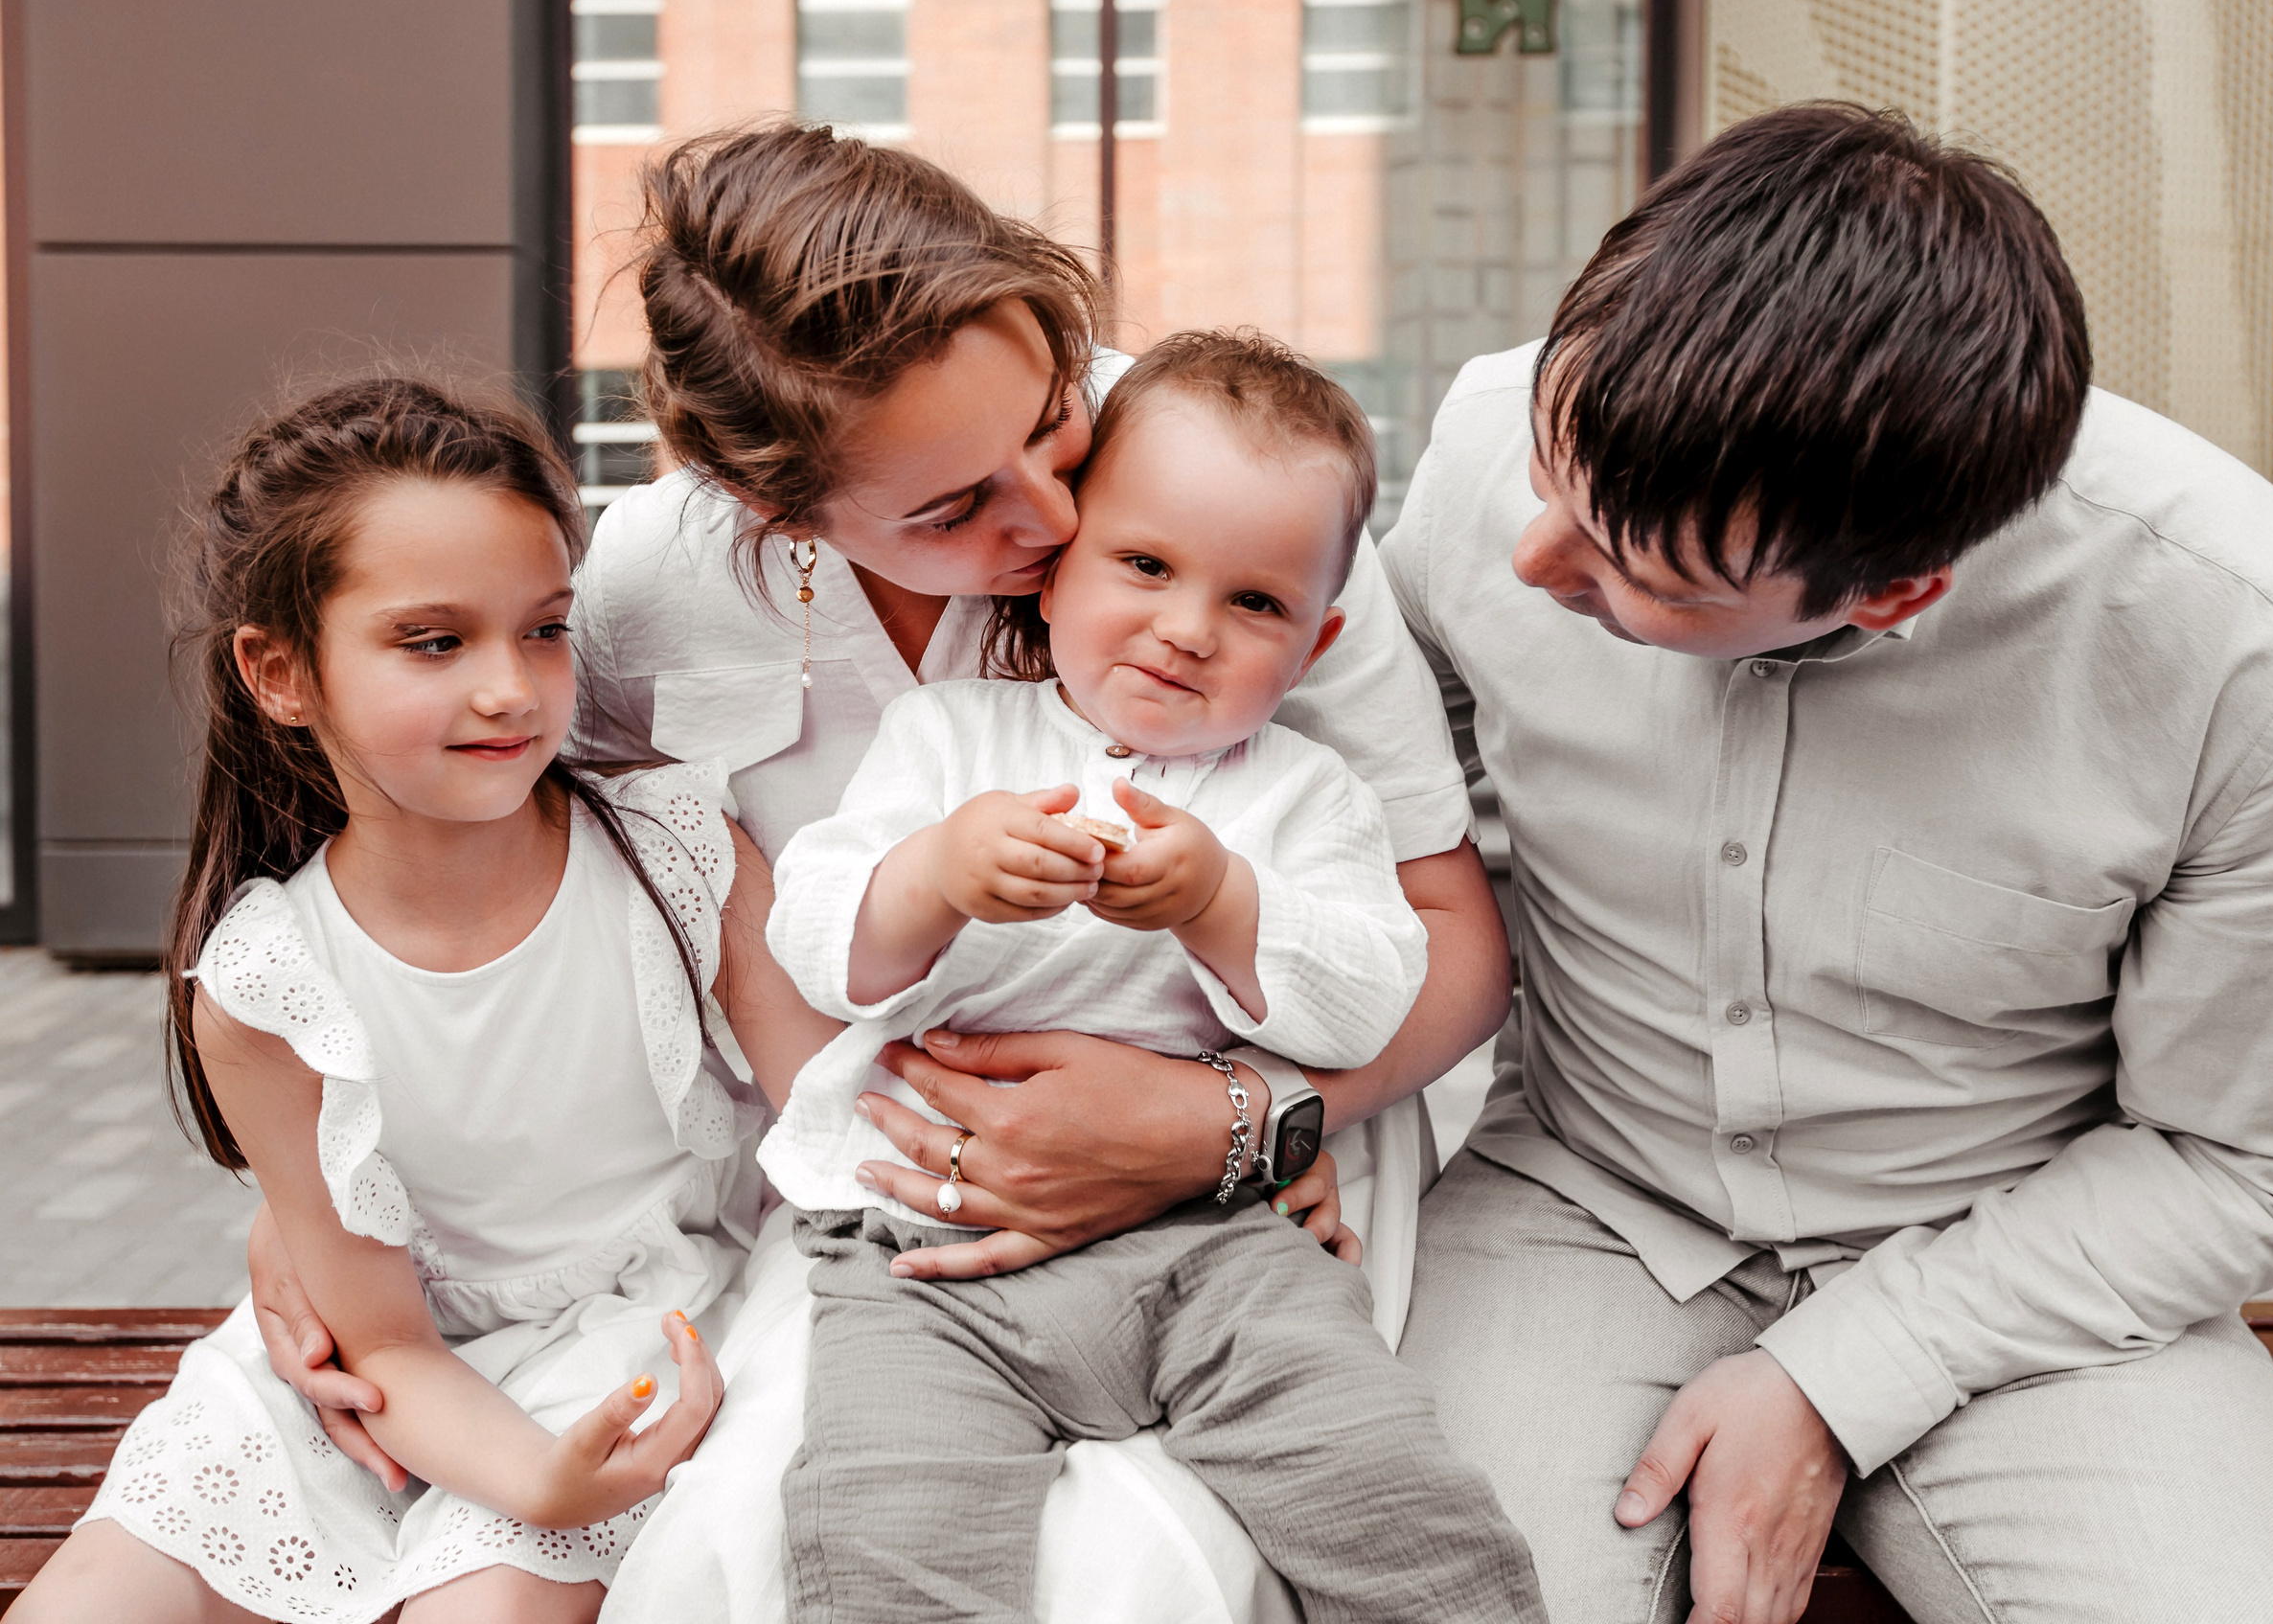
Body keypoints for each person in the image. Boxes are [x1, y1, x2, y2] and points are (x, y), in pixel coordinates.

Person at [243, 125, 1508, 1621]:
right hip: (884, 1186)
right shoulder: (644, 592)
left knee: (1170, 1561)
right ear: (779, 514)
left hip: (1258, 1179)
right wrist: (307, 1208)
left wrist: (1232, 1123)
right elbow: (461, 843)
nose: (1050, 517)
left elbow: (1452, 942)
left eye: (1054, 420)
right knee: (787, 1541)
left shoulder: (1231, 482)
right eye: (952, 510)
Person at [1386, 103, 2273, 1623]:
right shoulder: (1490, 443)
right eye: (1547, 477)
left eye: (1634, 573)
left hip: (2030, 1264)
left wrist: (1840, 1378)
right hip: (1580, 1195)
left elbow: (2270, 1158)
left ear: (1892, 593)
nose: (1533, 562)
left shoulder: (2266, 657)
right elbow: (1338, 812)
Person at [740, 331, 1540, 1621]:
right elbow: (822, 943)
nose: (1186, 631)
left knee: (1387, 1491)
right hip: (928, 1255)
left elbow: (1369, 1000)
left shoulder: (1307, 795)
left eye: (1256, 604)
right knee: (889, 1522)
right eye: (1147, 567)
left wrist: (1225, 905)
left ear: (1317, 642)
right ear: (1053, 579)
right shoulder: (945, 742)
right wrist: (934, 875)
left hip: (1221, 1242)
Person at [17, 377, 821, 1624]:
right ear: (280, 672)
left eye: (543, 630)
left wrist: (550, 1484)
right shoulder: (266, 981)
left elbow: (834, 1123)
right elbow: (383, 1340)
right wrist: (526, 1477)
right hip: (383, 1372)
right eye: (435, 642)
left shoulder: (677, 853)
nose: (511, 688)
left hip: (629, 1341)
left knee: (482, 1607)